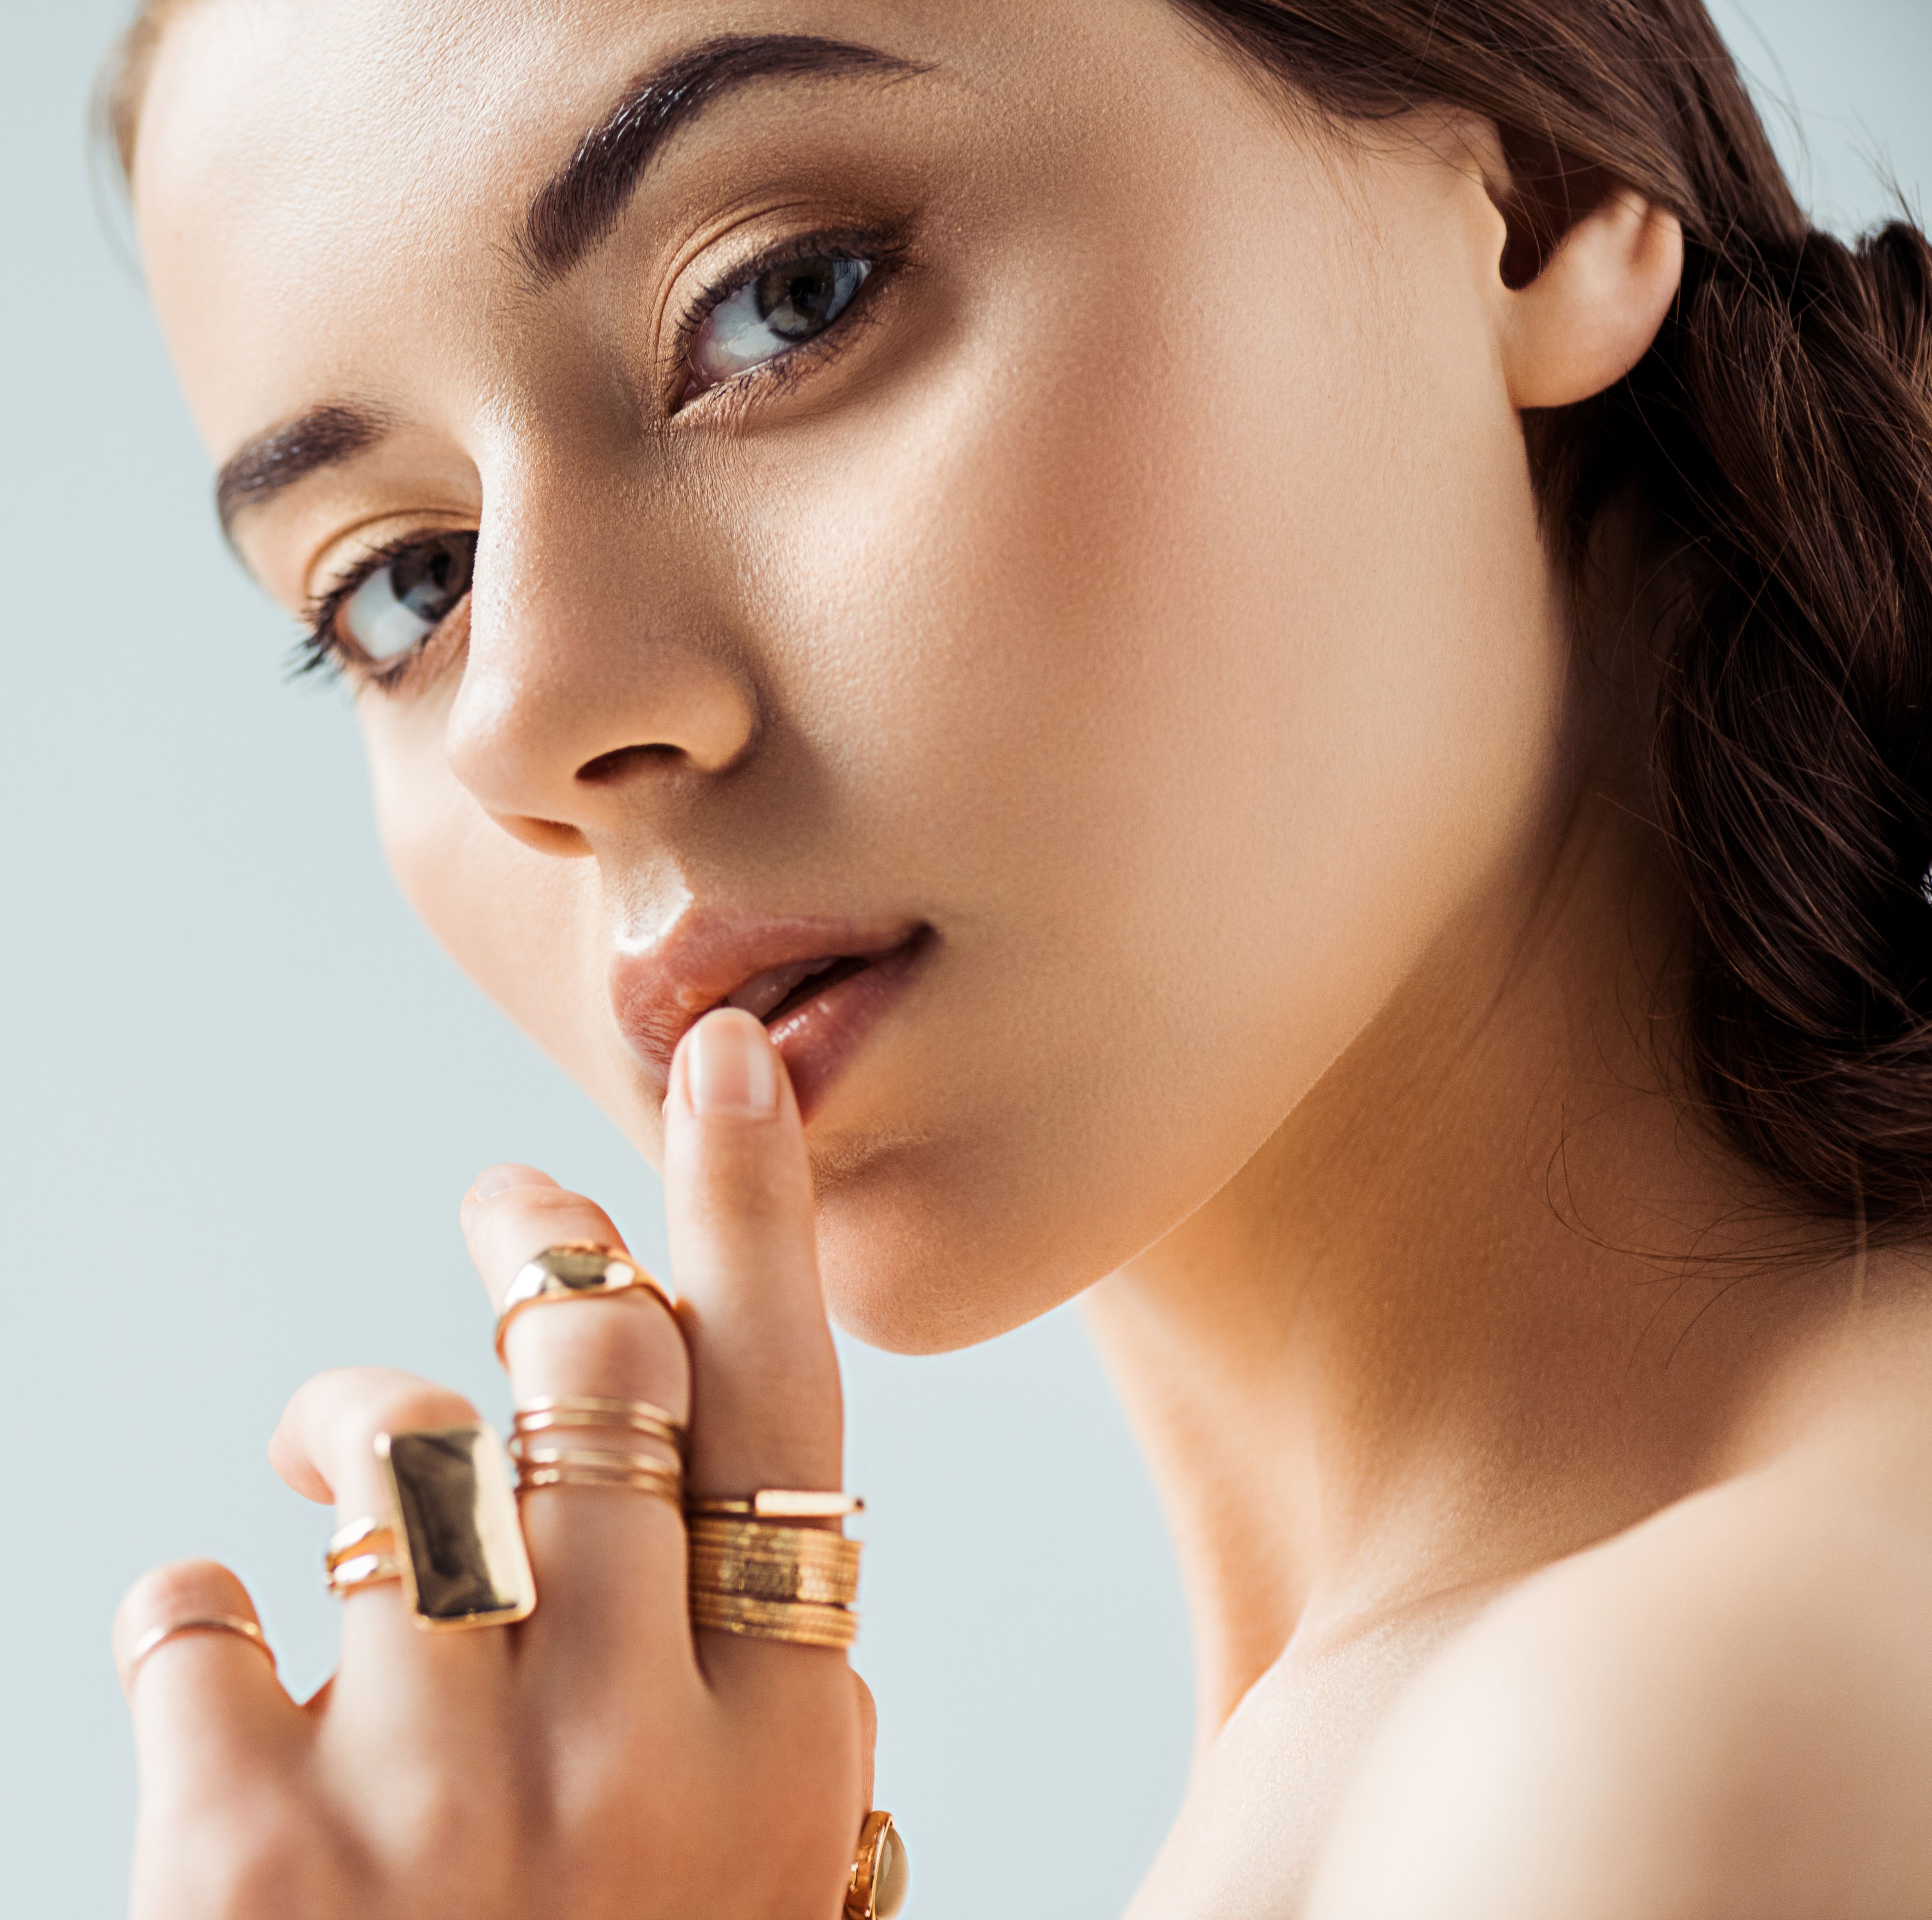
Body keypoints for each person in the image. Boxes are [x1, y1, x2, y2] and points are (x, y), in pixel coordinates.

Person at [96, 0, 1932, 1912]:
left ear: (1541, 191)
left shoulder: (1672, 1750)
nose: (528, 719)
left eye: (786, 298)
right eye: (405, 587)